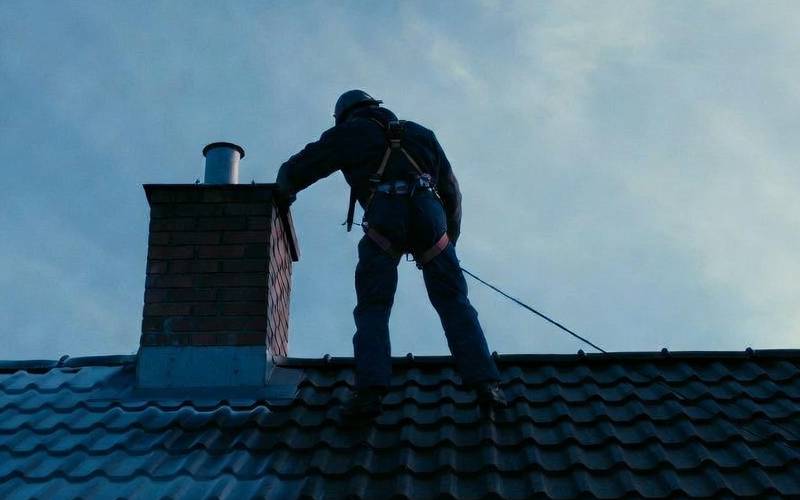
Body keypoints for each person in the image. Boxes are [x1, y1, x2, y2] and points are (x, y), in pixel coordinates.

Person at [276, 90, 506, 418]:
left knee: (373, 307)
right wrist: (447, 242)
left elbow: (299, 168)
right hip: (431, 219)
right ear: (377, 106)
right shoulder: (422, 134)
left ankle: (370, 392)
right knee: (455, 303)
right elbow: (452, 193)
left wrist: (283, 193)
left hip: (386, 221)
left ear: (345, 115)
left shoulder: (350, 133)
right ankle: (487, 385)